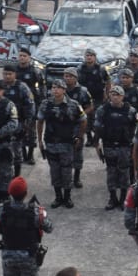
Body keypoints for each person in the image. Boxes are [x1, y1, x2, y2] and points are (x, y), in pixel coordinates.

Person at [37, 79, 87, 208]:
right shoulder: (45, 104)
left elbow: (83, 120)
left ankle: (67, 197)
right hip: (51, 143)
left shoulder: (73, 104)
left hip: (67, 144)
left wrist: (79, 137)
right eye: (53, 87)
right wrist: (40, 140)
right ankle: (58, 197)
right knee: (54, 171)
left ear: (64, 90)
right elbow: (40, 121)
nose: (55, 90)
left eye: (58, 88)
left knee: (66, 171)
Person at [95, 86, 138, 210]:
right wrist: (96, 144)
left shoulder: (131, 111)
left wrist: (135, 147)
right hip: (109, 145)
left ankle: (123, 199)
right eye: (113, 94)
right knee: (111, 172)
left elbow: (137, 129)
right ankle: (112, 198)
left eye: (118, 95)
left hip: (124, 146)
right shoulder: (103, 110)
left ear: (122, 96)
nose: (115, 97)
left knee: (124, 172)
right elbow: (97, 127)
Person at [2, 65, 37, 171]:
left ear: (15, 75)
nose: (7, 76)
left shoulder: (22, 87)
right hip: (2, 124)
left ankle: (17, 174)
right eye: (5, 74)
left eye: (10, 74)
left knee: (17, 150)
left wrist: (28, 122)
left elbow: (30, 104)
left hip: (18, 123)